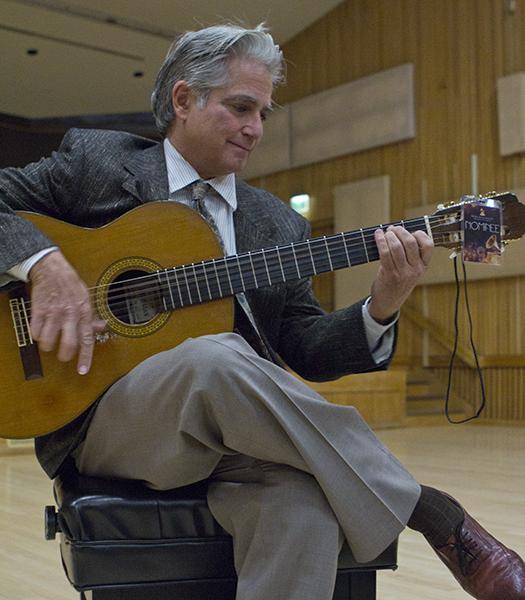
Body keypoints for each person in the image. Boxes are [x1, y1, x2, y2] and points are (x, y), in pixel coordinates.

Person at [0, 23, 523, 600]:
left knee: (302, 505)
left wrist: (382, 304)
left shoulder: (276, 222)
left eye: (265, 114)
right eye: (241, 107)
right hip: (103, 419)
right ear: (183, 99)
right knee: (214, 356)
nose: (255, 129)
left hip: (234, 436)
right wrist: (44, 266)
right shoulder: (97, 162)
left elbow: (304, 347)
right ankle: (431, 511)